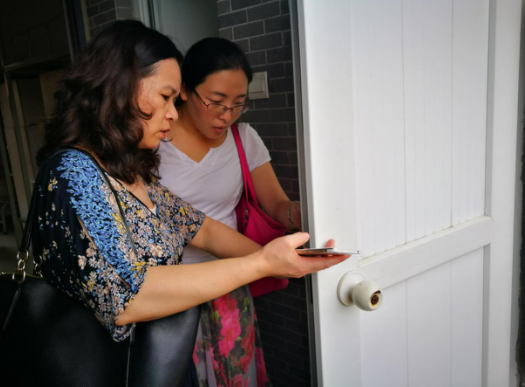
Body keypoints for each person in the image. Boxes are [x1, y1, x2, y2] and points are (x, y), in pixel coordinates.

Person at [33, 21, 348, 385]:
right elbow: (128, 297)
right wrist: (262, 263)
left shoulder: (131, 173)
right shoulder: (74, 171)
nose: (173, 112)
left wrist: (286, 261)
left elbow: (203, 228)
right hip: (112, 369)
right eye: (166, 97)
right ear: (120, 89)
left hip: (159, 359)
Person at [156, 37, 303, 387]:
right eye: (216, 102)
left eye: (238, 104)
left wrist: (300, 213)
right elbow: (195, 228)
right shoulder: (153, 141)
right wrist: (266, 259)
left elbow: (277, 205)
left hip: (231, 279)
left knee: (236, 376)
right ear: (185, 91)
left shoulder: (243, 138)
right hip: (170, 287)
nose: (227, 115)